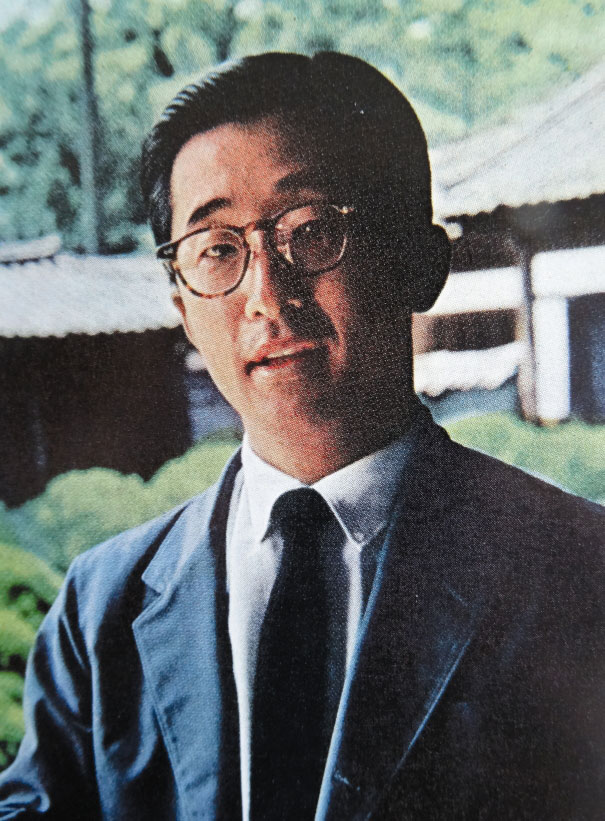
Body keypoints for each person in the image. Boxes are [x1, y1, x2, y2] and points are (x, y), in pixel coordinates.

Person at [0, 51, 603, 820]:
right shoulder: (98, 612)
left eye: (310, 230)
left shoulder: (578, 573)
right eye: (218, 249)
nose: (266, 294)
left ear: (420, 263)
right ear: (182, 307)